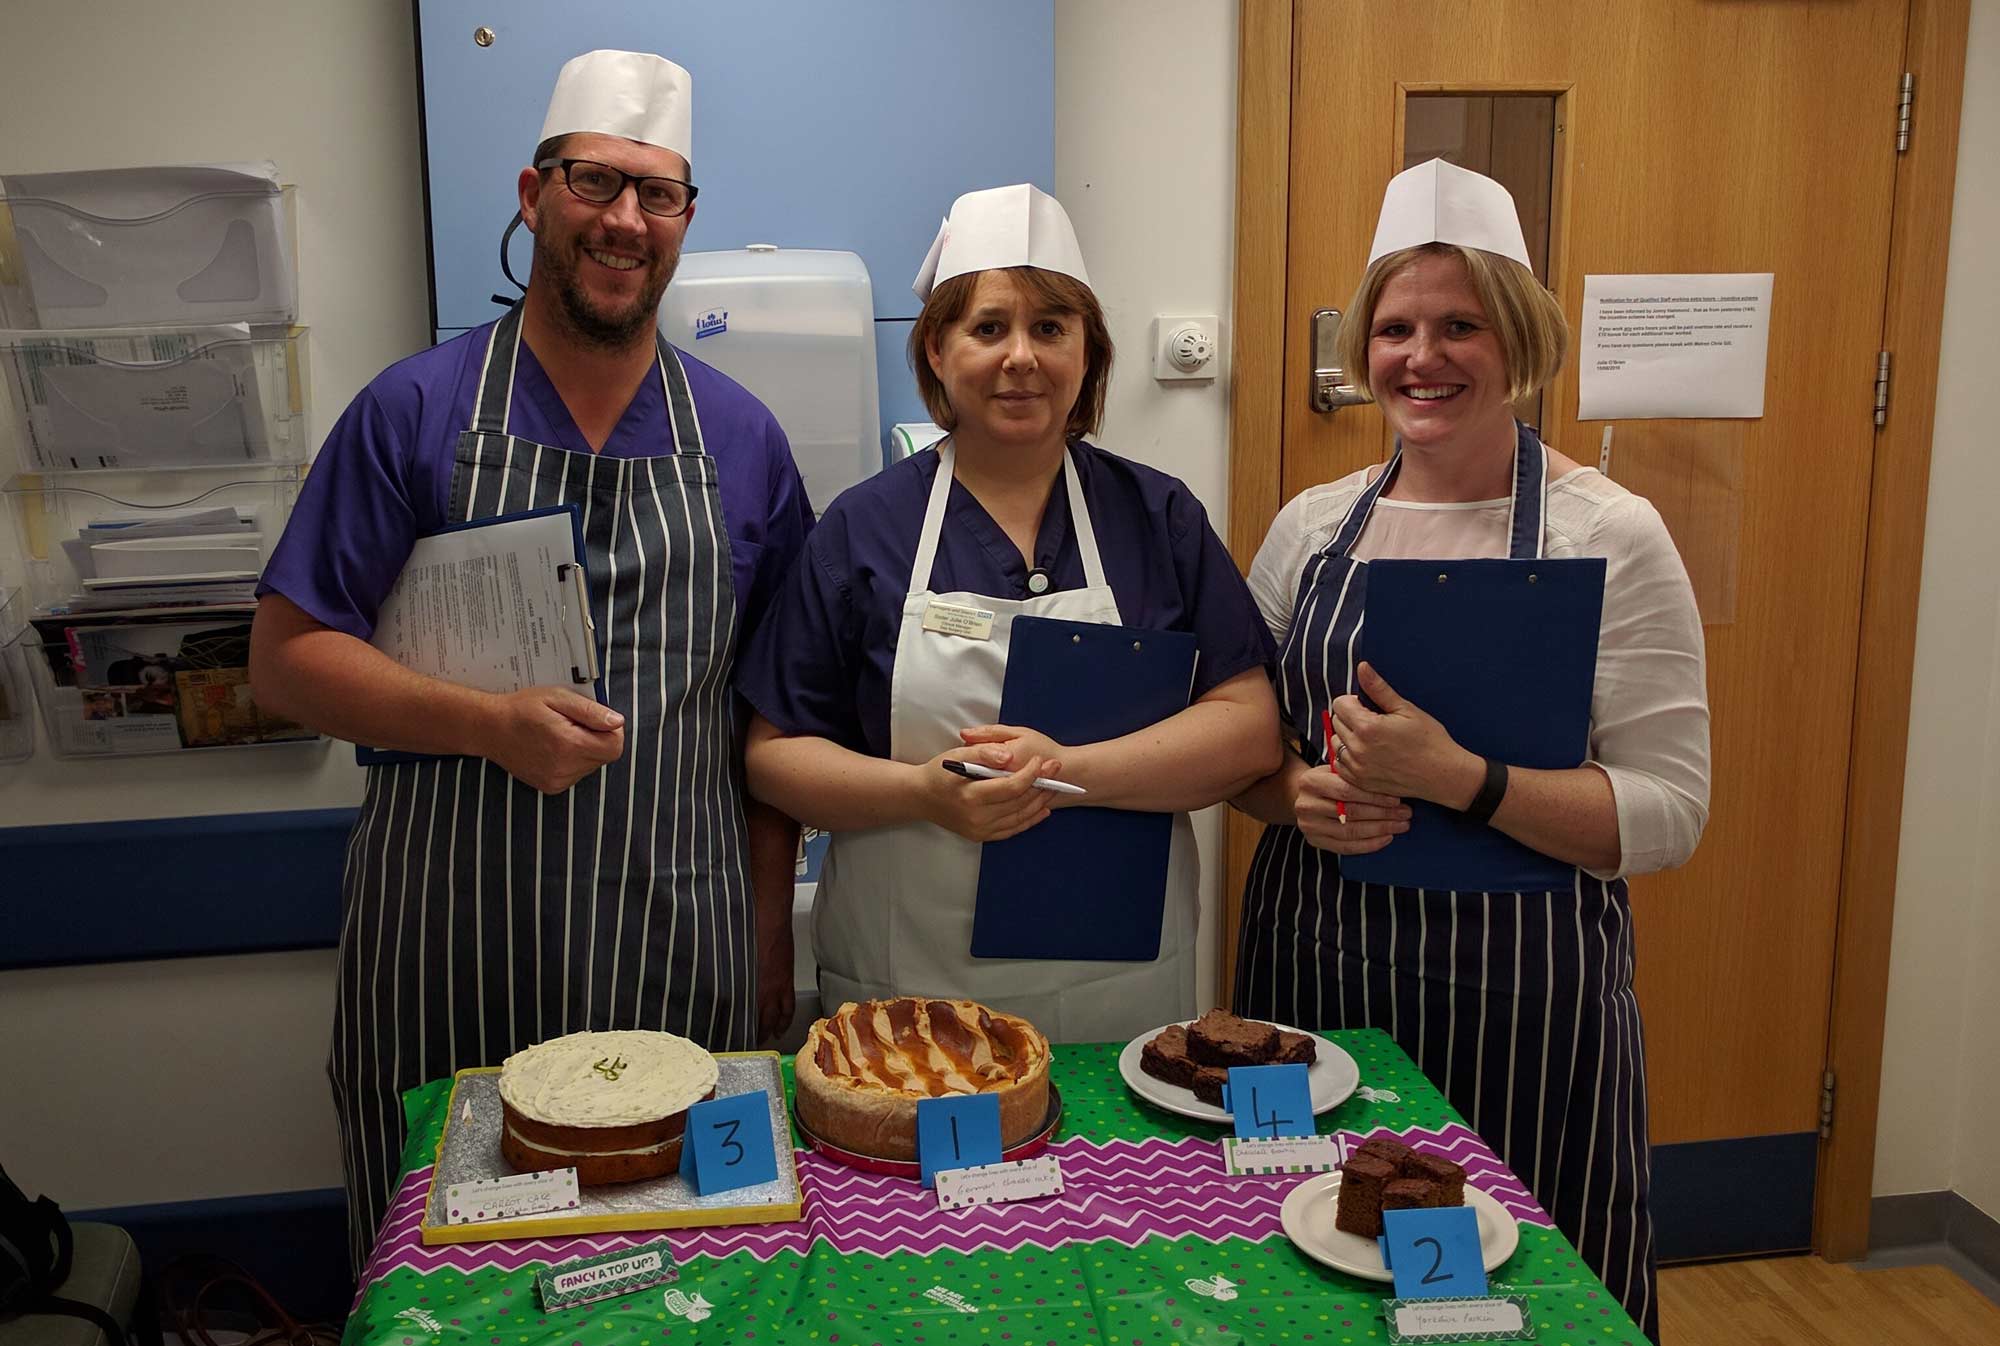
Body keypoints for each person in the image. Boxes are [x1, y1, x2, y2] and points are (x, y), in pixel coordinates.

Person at [248, 49, 814, 1268]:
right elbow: (285, 661)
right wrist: (486, 722)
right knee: (456, 1269)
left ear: (685, 220)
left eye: (655, 194)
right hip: (453, 930)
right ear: (531, 191)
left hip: (680, 929)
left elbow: (772, 719)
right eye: (593, 183)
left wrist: (770, 928)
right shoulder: (414, 413)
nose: (623, 220)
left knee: (683, 1261)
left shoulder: (743, 441)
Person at [1230, 160, 1709, 1342]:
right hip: (1314, 974)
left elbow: (1666, 810)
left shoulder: (1611, 533)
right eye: (1392, 326)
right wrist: (1295, 794)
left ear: (1519, 336)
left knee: (1525, 1292)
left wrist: (1460, 778)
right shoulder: (1307, 526)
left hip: (1523, 1002)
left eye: (1459, 324)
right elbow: (1238, 750)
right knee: (1312, 1276)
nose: (1419, 356)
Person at [737, 185, 1280, 1043]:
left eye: (1051, 327)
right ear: (938, 351)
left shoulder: (1156, 518)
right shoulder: (865, 528)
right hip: (908, 991)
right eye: (989, 328)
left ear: (1088, 352)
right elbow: (773, 758)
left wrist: (1069, 771)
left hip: (1120, 990)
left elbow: (1248, 731)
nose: (1021, 357)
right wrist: (923, 793)